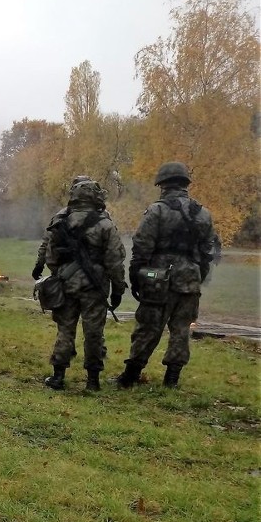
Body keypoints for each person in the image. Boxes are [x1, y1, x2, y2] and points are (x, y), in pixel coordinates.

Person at [117, 162, 217, 388]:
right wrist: (197, 274)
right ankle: (172, 378)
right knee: (181, 330)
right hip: (190, 280)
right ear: (185, 184)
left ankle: (130, 376)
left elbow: (142, 246)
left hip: (159, 279)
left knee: (148, 327)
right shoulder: (203, 213)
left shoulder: (157, 210)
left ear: (162, 185)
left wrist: (136, 275)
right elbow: (207, 250)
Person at [43, 179, 126, 391]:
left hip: (66, 284)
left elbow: (51, 257)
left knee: (65, 330)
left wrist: (61, 274)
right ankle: (92, 381)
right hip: (94, 287)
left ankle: (58, 377)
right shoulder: (105, 224)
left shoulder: (61, 221)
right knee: (94, 333)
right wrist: (117, 289)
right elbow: (115, 261)